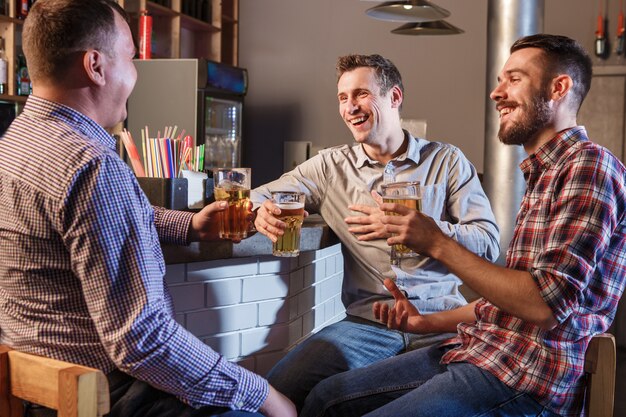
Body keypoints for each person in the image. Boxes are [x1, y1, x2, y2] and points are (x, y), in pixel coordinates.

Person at [299, 34, 626, 417]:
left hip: (524, 377)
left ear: (558, 87)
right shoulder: (545, 173)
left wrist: (434, 240)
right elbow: (509, 302)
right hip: (481, 350)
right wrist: (426, 322)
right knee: (325, 398)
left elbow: (542, 305)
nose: (495, 92)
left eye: (513, 79)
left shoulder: (589, 167)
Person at [0, 1, 296, 416]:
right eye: (131, 59)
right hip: (106, 396)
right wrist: (263, 394)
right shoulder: (90, 164)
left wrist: (190, 225)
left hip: (36, 391)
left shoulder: (15, 141)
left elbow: (92, 222)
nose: (136, 74)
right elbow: (143, 340)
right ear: (96, 66)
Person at [252, 54, 500, 410]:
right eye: (343, 97)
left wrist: (421, 229)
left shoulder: (447, 161)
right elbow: (260, 194)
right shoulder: (329, 167)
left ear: (394, 97)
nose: (350, 107)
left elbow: (488, 243)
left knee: (343, 401)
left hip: (441, 320)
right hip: (367, 324)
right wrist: (261, 210)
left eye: (361, 94)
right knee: (276, 389)